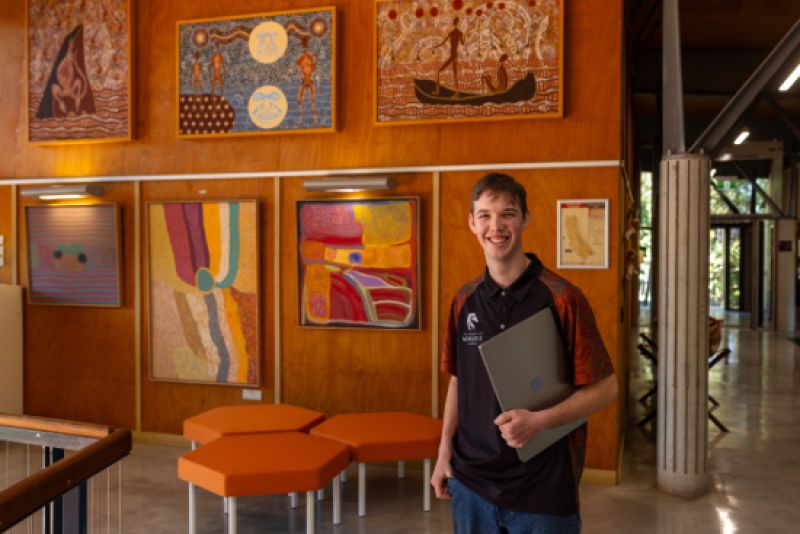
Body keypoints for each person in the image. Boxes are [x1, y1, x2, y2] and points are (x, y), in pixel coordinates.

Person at [431, 173, 617, 533]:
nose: (495, 226)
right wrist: (443, 454)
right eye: (484, 215)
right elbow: (459, 380)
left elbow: (606, 388)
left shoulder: (563, 298)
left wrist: (540, 422)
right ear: (471, 222)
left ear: (526, 219)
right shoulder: (463, 300)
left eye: (508, 214)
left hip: (543, 491)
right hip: (471, 485)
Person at [433, 17, 465, 96]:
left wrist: (436, 46)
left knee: (438, 71)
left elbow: (443, 42)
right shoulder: (460, 33)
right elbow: (462, 43)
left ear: (453, 23)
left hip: (453, 55)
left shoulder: (451, 32)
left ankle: (437, 91)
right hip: (455, 55)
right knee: (455, 74)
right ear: (458, 23)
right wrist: (464, 37)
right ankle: (457, 94)